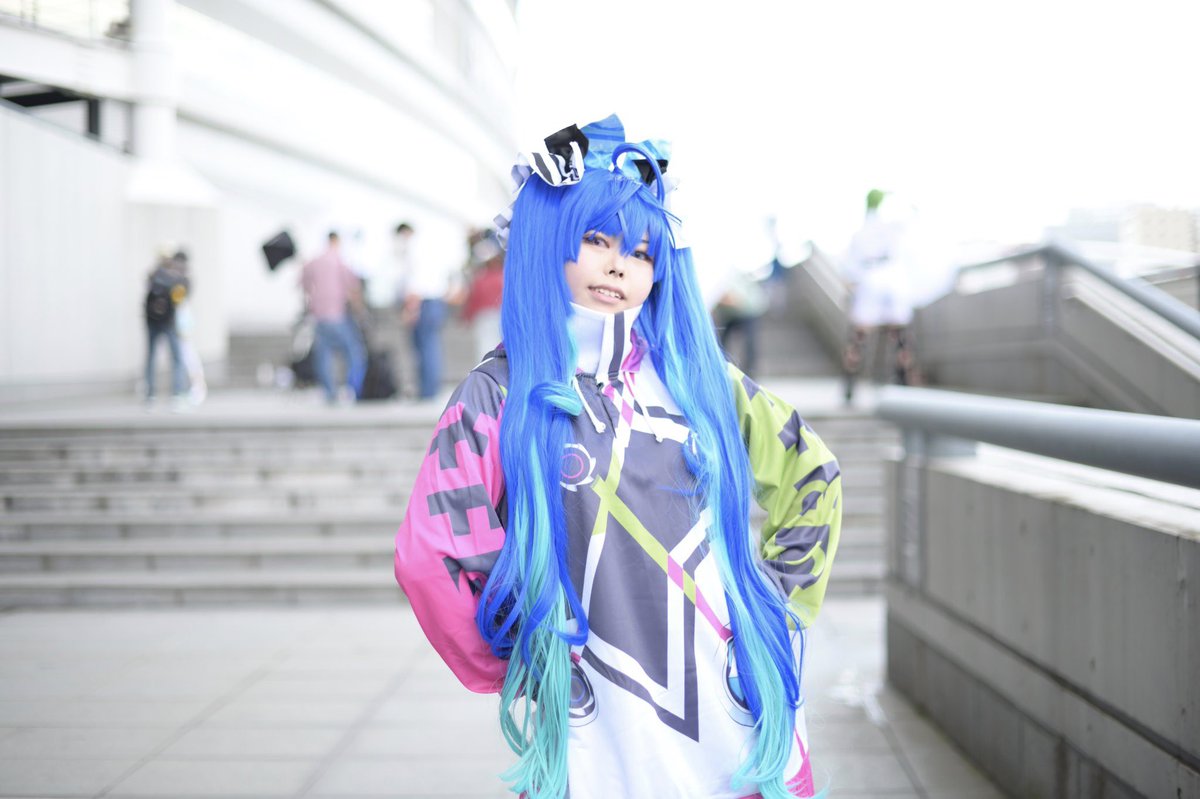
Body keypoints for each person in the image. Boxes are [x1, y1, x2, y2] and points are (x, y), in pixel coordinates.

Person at [394, 115, 841, 799]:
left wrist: (772, 608)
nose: (618, 264)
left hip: (731, 700)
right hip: (598, 715)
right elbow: (433, 552)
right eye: (596, 239)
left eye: (640, 250)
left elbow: (812, 471)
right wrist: (521, 658)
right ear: (547, 237)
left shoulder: (700, 378)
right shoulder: (499, 391)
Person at [840, 189, 916, 404]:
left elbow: (849, 266)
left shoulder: (861, 232)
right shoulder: (894, 225)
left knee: (858, 337)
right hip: (893, 281)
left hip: (869, 281)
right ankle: (905, 387)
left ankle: (849, 386)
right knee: (900, 337)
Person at [300, 231, 366, 404]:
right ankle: (353, 389)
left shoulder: (315, 261)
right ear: (336, 241)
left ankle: (330, 392)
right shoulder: (339, 260)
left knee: (323, 355)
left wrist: (312, 298)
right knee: (354, 352)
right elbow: (353, 286)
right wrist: (360, 310)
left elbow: (303, 281)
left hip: (319, 315)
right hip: (336, 314)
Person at [395, 221, 458, 401]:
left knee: (424, 348)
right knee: (431, 346)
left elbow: (414, 283)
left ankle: (427, 390)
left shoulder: (413, 249)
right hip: (436, 301)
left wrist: (410, 309)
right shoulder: (432, 249)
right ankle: (430, 388)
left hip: (422, 302)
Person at [142, 246, 190, 408]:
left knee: (152, 357)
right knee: (176, 358)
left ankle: (150, 395)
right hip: (168, 322)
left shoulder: (153, 275)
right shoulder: (177, 278)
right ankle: (176, 394)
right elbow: (180, 300)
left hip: (153, 321)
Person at [461, 230, 505, 358]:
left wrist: (467, 316)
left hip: (485, 317)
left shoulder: (481, 279)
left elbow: (474, 299)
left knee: (485, 349)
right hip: (500, 315)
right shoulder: (504, 277)